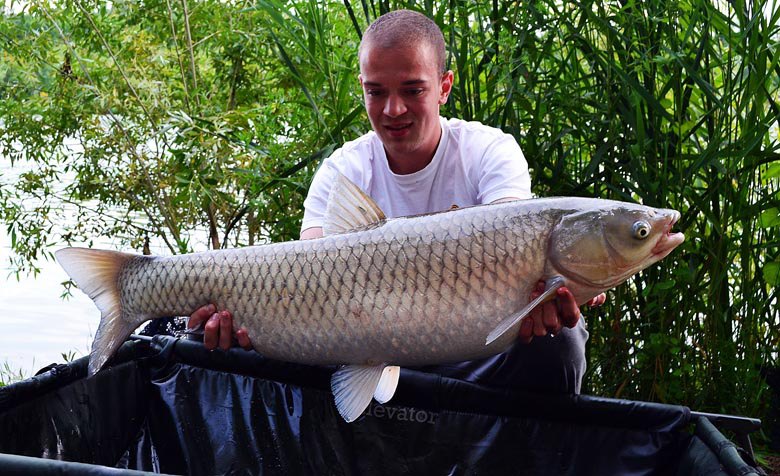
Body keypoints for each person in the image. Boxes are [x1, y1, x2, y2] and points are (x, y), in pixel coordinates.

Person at [188, 9, 605, 394]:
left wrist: (563, 285)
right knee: (236, 348)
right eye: (376, 92)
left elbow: (513, 240)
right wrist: (233, 321)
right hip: (355, 349)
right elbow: (304, 278)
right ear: (363, 89)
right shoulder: (343, 172)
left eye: (412, 90)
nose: (392, 109)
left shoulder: (490, 152)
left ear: (444, 87)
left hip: (479, 355)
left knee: (560, 337)